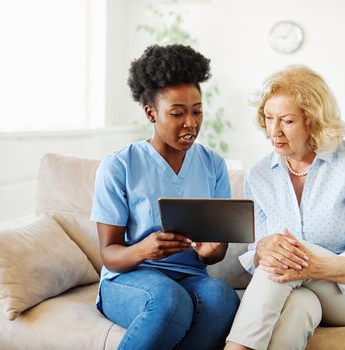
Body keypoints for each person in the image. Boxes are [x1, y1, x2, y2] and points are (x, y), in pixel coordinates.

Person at [225, 66, 345, 350]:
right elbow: (257, 254)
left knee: (285, 251)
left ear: (313, 121)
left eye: (287, 121)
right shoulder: (258, 176)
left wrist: (313, 266)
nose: (273, 131)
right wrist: (262, 249)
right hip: (300, 290)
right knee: (297, 307)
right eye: (269, 119)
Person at [91, 44, 240, 350]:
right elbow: (109, 255)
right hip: (130, 278)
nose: (191, 123)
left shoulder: (213, 165)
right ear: (151, 113)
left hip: (191, 275)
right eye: (177, 113)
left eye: (197, 111)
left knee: (223, 297)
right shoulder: (120, 165)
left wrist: (210, 250)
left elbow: (217, 253)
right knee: (169, 300)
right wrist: (144, 250)